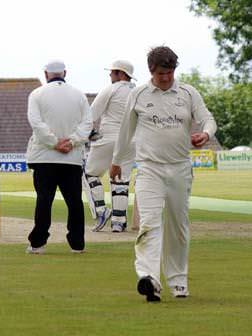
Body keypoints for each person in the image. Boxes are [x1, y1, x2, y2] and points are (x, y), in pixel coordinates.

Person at [110, 46, 217, 301]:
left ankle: (178, 281)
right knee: (149, 223)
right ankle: (149, 279)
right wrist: (117, 162)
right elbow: (125, 132)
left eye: (170, 73)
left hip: (180, 168)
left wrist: (206, 134)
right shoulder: (138, 94)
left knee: (178, 226)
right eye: (161, 74)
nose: (166, 78)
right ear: (151, 71)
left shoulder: (188, 93)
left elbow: (208, 119)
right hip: (149, 169)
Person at [26, 59, 92, 254]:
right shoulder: (79, 95)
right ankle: (77, 245)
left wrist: (54, 143)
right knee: (74, 202)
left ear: (46, 74)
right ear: (65, 72)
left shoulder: (37, 94)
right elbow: (87, 124)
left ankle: (38, 244)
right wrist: (71, 142)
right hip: (71, 158)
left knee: (44, 200)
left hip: (44, 157)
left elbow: (36, 124)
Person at [85, 60, 136, 233]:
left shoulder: (111, 89)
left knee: (89, 174)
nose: (109, 75)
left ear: (121, 74)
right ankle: (118, 222)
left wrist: (89, 133)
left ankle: (101, 210)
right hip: (130, 141)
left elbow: (91, 114)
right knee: (121, 179)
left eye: (112, 72)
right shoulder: (138, 91)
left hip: (108, 137)